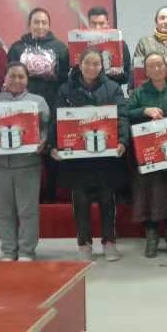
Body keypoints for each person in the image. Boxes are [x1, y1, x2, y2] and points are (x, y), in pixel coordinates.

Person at [50, 47, 129, 262]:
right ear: (79, 64)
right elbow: (57, 120)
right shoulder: (65, 89)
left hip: (105, 158)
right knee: (81, 203)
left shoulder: (113, 88)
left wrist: (122, 141)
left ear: (102, 66)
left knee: (107, 201)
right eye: (88, 63)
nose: (92, 67)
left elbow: (122, 116)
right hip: (77, 160)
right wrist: (54, 145)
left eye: (96, 64)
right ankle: (84, 244)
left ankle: (109, 242)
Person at [0, 62, 50, 261]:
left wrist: (43, 141)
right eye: (12, 76)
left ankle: (26, 251)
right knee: (3, 211)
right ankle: (8, 250)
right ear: (5, 78)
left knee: (27, 211)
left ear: (27, 79)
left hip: (27, 164)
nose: (16, 80)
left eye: (21, 76)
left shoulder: (38, 102)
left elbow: (46, 128)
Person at [127, 53, 167, 258]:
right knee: (148, 195)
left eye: (160, 65)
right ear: (145, 71)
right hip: (148, 152)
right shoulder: (139, 92)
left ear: (166, 67)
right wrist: (145, 111)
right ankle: (151, 239)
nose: (157, 69)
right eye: (151, 66)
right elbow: (127, 112)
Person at [8, 7, 69, 203]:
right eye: (36, 22)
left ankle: (50, 193)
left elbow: (65, 77)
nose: (40, 26)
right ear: (29, 25)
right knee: (26, 148)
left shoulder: (60, 48)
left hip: (51, 101)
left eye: (44, 22)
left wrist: (51, 74)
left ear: (49, 25)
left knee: (49, 146)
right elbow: (9, 77)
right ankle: (29, 194)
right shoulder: (17, 48)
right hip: (22, 105)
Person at [87, 6, 132, 86]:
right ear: (89, 24)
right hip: (85, 90)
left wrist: (116, 74)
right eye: (94, 24)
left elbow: (126, 76)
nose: (97, 27)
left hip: (112, 90)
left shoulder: (120, 44)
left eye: (101, 23)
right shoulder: (81, 44)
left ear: (107, 24)